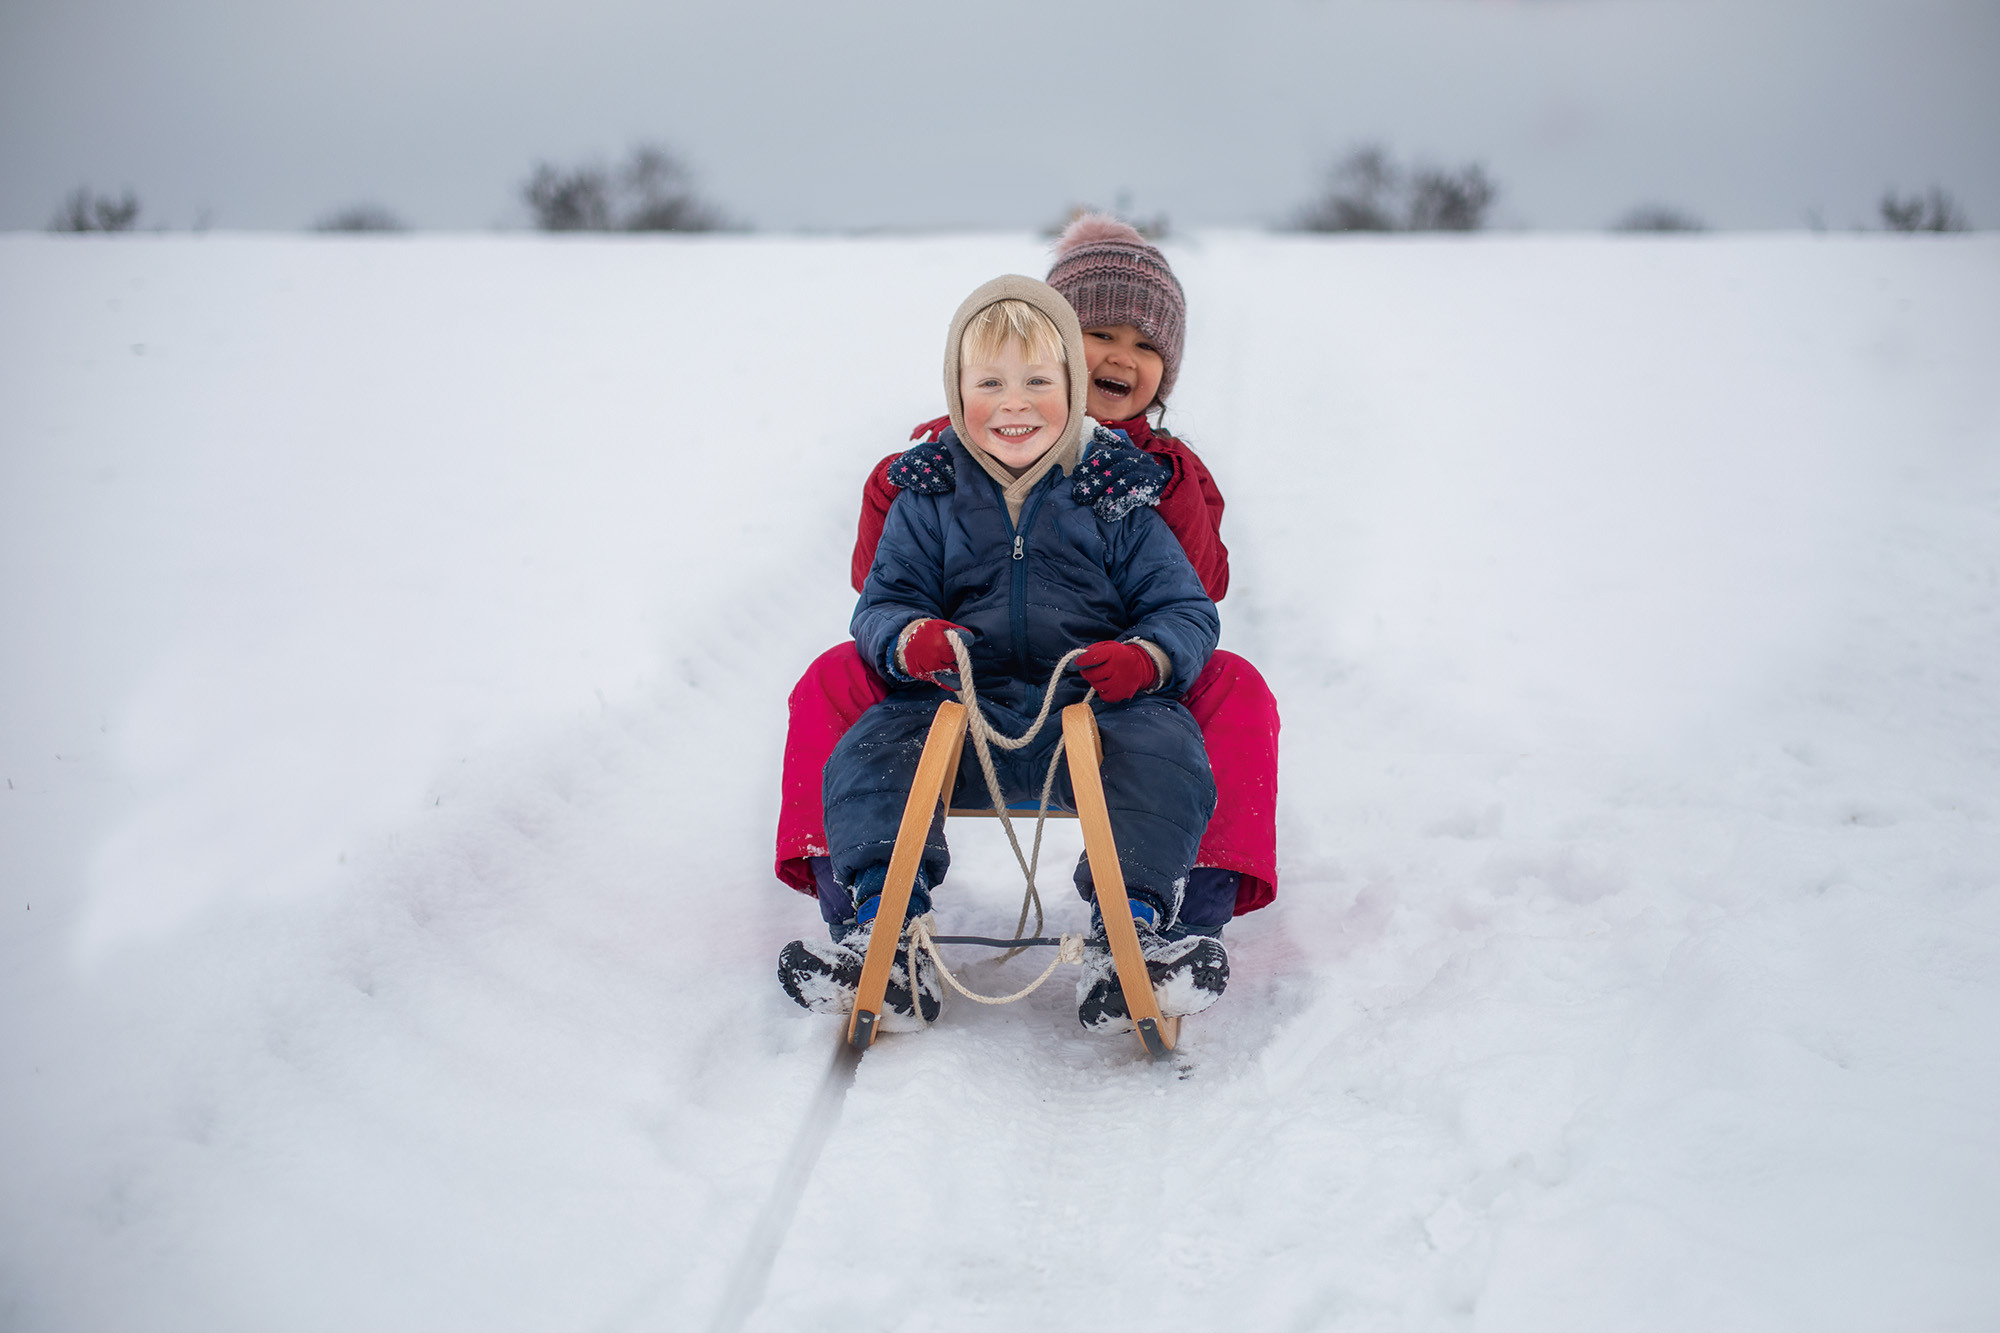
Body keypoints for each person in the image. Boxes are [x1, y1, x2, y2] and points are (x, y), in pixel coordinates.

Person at [774, 215, 1281, 947]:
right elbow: (880, 583)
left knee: (1234, 686)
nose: (1120, 358)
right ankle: (862, 903)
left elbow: (1196, 592)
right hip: (967, 686)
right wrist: (915, 479)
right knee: (834, 676)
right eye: (1100, 335)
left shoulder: (1158, 476)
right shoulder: (950, 455)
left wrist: (1157, 485)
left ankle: (1183, 908)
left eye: (1145, 347)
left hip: (1111, 693)